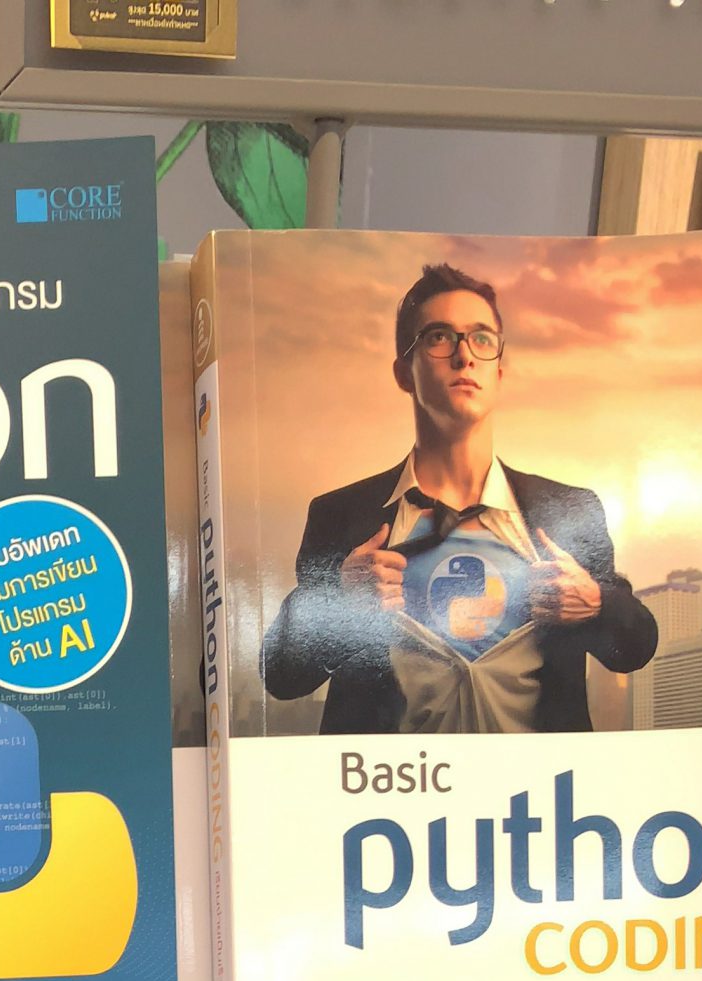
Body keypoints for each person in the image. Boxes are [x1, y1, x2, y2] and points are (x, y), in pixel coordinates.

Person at [262, 262, 657, 734]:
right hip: (393, 778)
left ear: (499, 372)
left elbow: (634, 648)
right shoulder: (342, 515)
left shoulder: (569, 509)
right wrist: (338, 603)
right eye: (439, 337)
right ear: (404, 372)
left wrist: (594, 604)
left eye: (481, 339)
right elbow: (281, 676)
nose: (464, 355)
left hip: (541, 779)